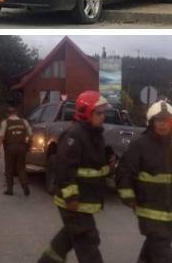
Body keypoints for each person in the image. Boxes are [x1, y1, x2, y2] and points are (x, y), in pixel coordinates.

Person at [116, 101, 172, 263]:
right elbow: (124, 172)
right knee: (161, 246)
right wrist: (129, 197)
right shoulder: (140, 145)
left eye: (166, 121)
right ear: (151, 123)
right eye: (159, 121)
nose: (163, 125)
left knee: (156, 245)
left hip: (170, 209)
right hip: (147, 210)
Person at [38, 91, 113, 263]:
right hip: (74, 201)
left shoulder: (95, 134)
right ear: (86, 112)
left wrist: (108, 163)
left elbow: (92, 166)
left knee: (69, 236)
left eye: (103, 113)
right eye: (99, 113)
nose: (103, 117)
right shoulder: (74, 135)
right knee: (87, 239)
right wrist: (71, 197)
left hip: (85, 200)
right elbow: (64, 169)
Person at [0, 105, 31, 195]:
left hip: (9, 148)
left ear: (8, 114)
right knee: (21, 168)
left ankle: (10, 190)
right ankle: (25, 186)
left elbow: (0, 137)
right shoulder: (24, 121)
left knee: (9, 168)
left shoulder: (5, 122)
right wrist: (29, 146)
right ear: (16, 113)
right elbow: (31, 135)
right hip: (22, 148)